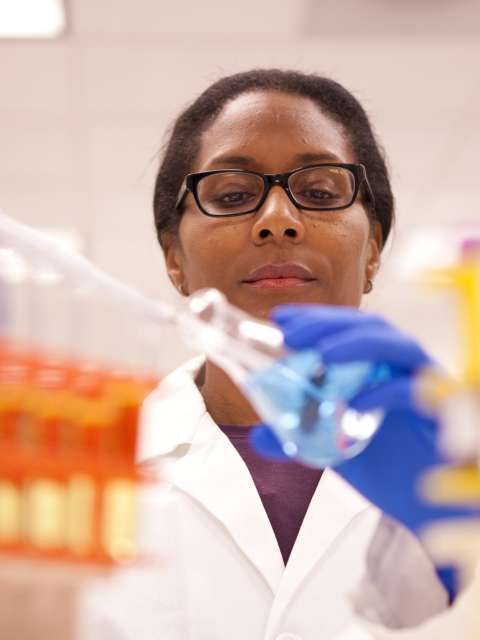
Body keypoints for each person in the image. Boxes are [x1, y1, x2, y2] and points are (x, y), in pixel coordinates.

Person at [109, 68, 474, 639]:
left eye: (320, 193)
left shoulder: (457, 462)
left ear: (373, 250)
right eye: (232, 195)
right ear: (173, 258)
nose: (278, 221)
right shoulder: (89, 466)